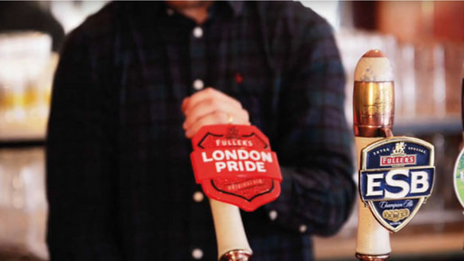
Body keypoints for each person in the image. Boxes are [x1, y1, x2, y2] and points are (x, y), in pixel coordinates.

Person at [46, 1, 355, 261]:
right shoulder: (91, 46)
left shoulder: (300, 33)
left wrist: (251, 168)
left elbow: (333, 201)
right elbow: (75, 228)